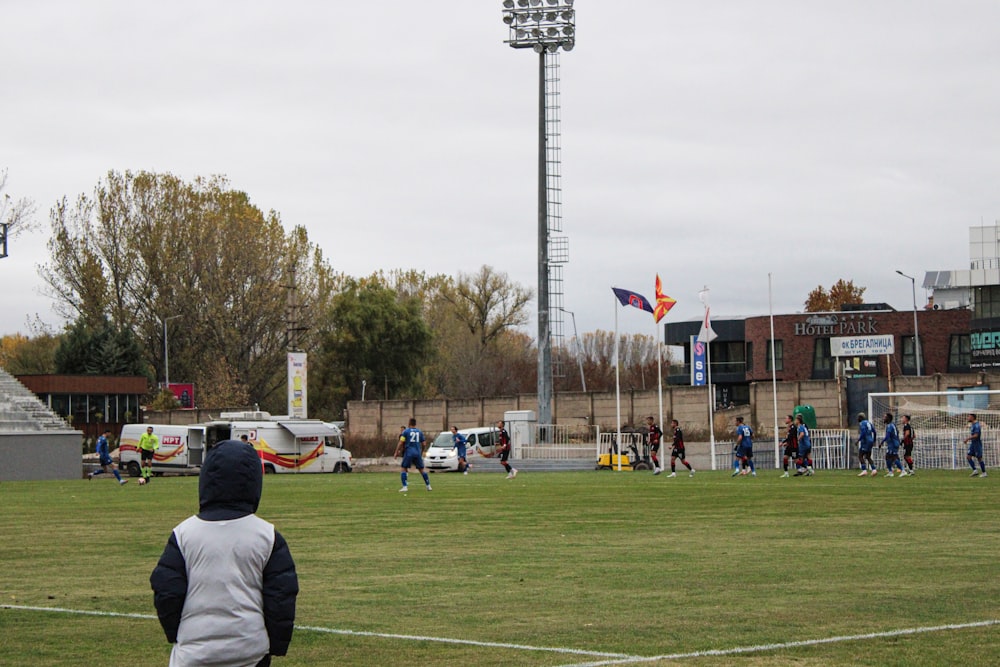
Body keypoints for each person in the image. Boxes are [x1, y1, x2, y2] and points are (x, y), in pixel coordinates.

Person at [150, 439, 298, 667]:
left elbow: (167, 592)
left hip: (194, 654)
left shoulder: (183, 534)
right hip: (249, 652)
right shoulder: (267, 535)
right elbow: (281, 597)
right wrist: (276, 644)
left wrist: (177, 634)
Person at [394, 418, 432, 492]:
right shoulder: (419, 432)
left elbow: (401, 442)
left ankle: (405, 487)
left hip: (409, 452)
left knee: (403, 468)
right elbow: (424, 443)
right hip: (417, 452)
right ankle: (428, 486)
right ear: (415, 424)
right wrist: (422, 451)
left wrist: (396, 451)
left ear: (409, 423)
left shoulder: (406, 432)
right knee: (421, 470)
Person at [880, 412, 907, 477]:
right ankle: (890, 472)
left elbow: (888, 436)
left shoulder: (890, 426)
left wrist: (882, 442)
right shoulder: (892, 425)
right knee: (888, 457)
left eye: (885, 417)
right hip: (893, 443)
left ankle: (903, 470)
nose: (884, 418)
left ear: (888, 418)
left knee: (893, 457)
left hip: (893, 444)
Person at [964, 413, 988, 477]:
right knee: (968, 457)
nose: (968, 418)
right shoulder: (973, 424)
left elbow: (976, 435)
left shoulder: (977, 425)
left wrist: (967, 438)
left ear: (972, 417)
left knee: (979, 458)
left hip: (977, 444)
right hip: (973, 444)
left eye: (969, 417)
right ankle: (975, 471)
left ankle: (984, 473)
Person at [856, 412, 877, 476]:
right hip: (870, 441)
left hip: (865, 442)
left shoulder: (862, 423)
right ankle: (874, 470)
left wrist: (858, 440)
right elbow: (875, 432)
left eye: (858, 417)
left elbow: (863, 432)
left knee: (860, 455)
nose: (857, 419)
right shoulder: (869, 423)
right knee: (868, 456)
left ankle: (864, 470)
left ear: (860, 418)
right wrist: (874, 440)